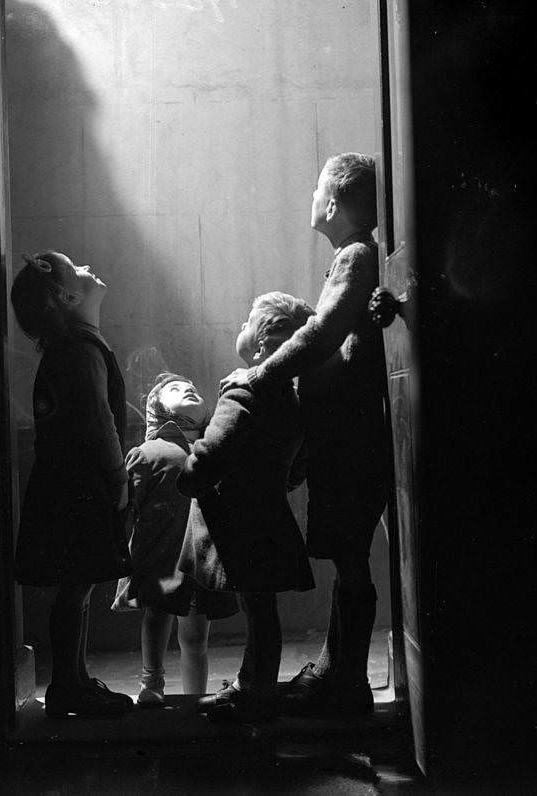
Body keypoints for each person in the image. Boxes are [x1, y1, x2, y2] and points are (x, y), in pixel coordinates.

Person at [220, 153, 390, 715]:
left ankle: (350, 683)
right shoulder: (352, 257)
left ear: (334, 202)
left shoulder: (355, 256)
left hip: (351, 440)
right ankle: (335, 669)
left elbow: (322, 333)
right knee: (348, 558)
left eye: (317, 189)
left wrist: (262, 372)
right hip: (344, 436)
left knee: (350, 560)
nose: (311, 199)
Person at [176, 292, 316, 722]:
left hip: (238, 524)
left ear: (260, 344)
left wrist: (188, 476)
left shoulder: (243, 391)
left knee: (257, 610)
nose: (239, 325)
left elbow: (211, 455)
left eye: (246, 321)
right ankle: (256, 685)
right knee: (263, 611)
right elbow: (296, 469)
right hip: (270, 517)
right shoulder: (291, 399)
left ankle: (251, 692)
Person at [11, 251, 133, 718]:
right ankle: (68, 685)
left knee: (76, 588)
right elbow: (99, 423)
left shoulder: (78, 347)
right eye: (75, 267)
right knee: (77, 587)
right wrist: (119, 477)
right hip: (83, 489)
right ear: (67, 295)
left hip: (69, 486)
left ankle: (73, 680)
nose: (88, 267)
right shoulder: (81, 349)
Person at [111, 372, 238, 706]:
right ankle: (151, 683)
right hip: (160, 554)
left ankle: (195, 696)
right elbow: (129, 508)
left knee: (196, 635)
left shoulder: (214, 446)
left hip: (200, 556)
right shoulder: (148, 453)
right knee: (157, 615)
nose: (189, 387)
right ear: (158, 408)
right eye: (175, 389)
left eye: (193, 386)